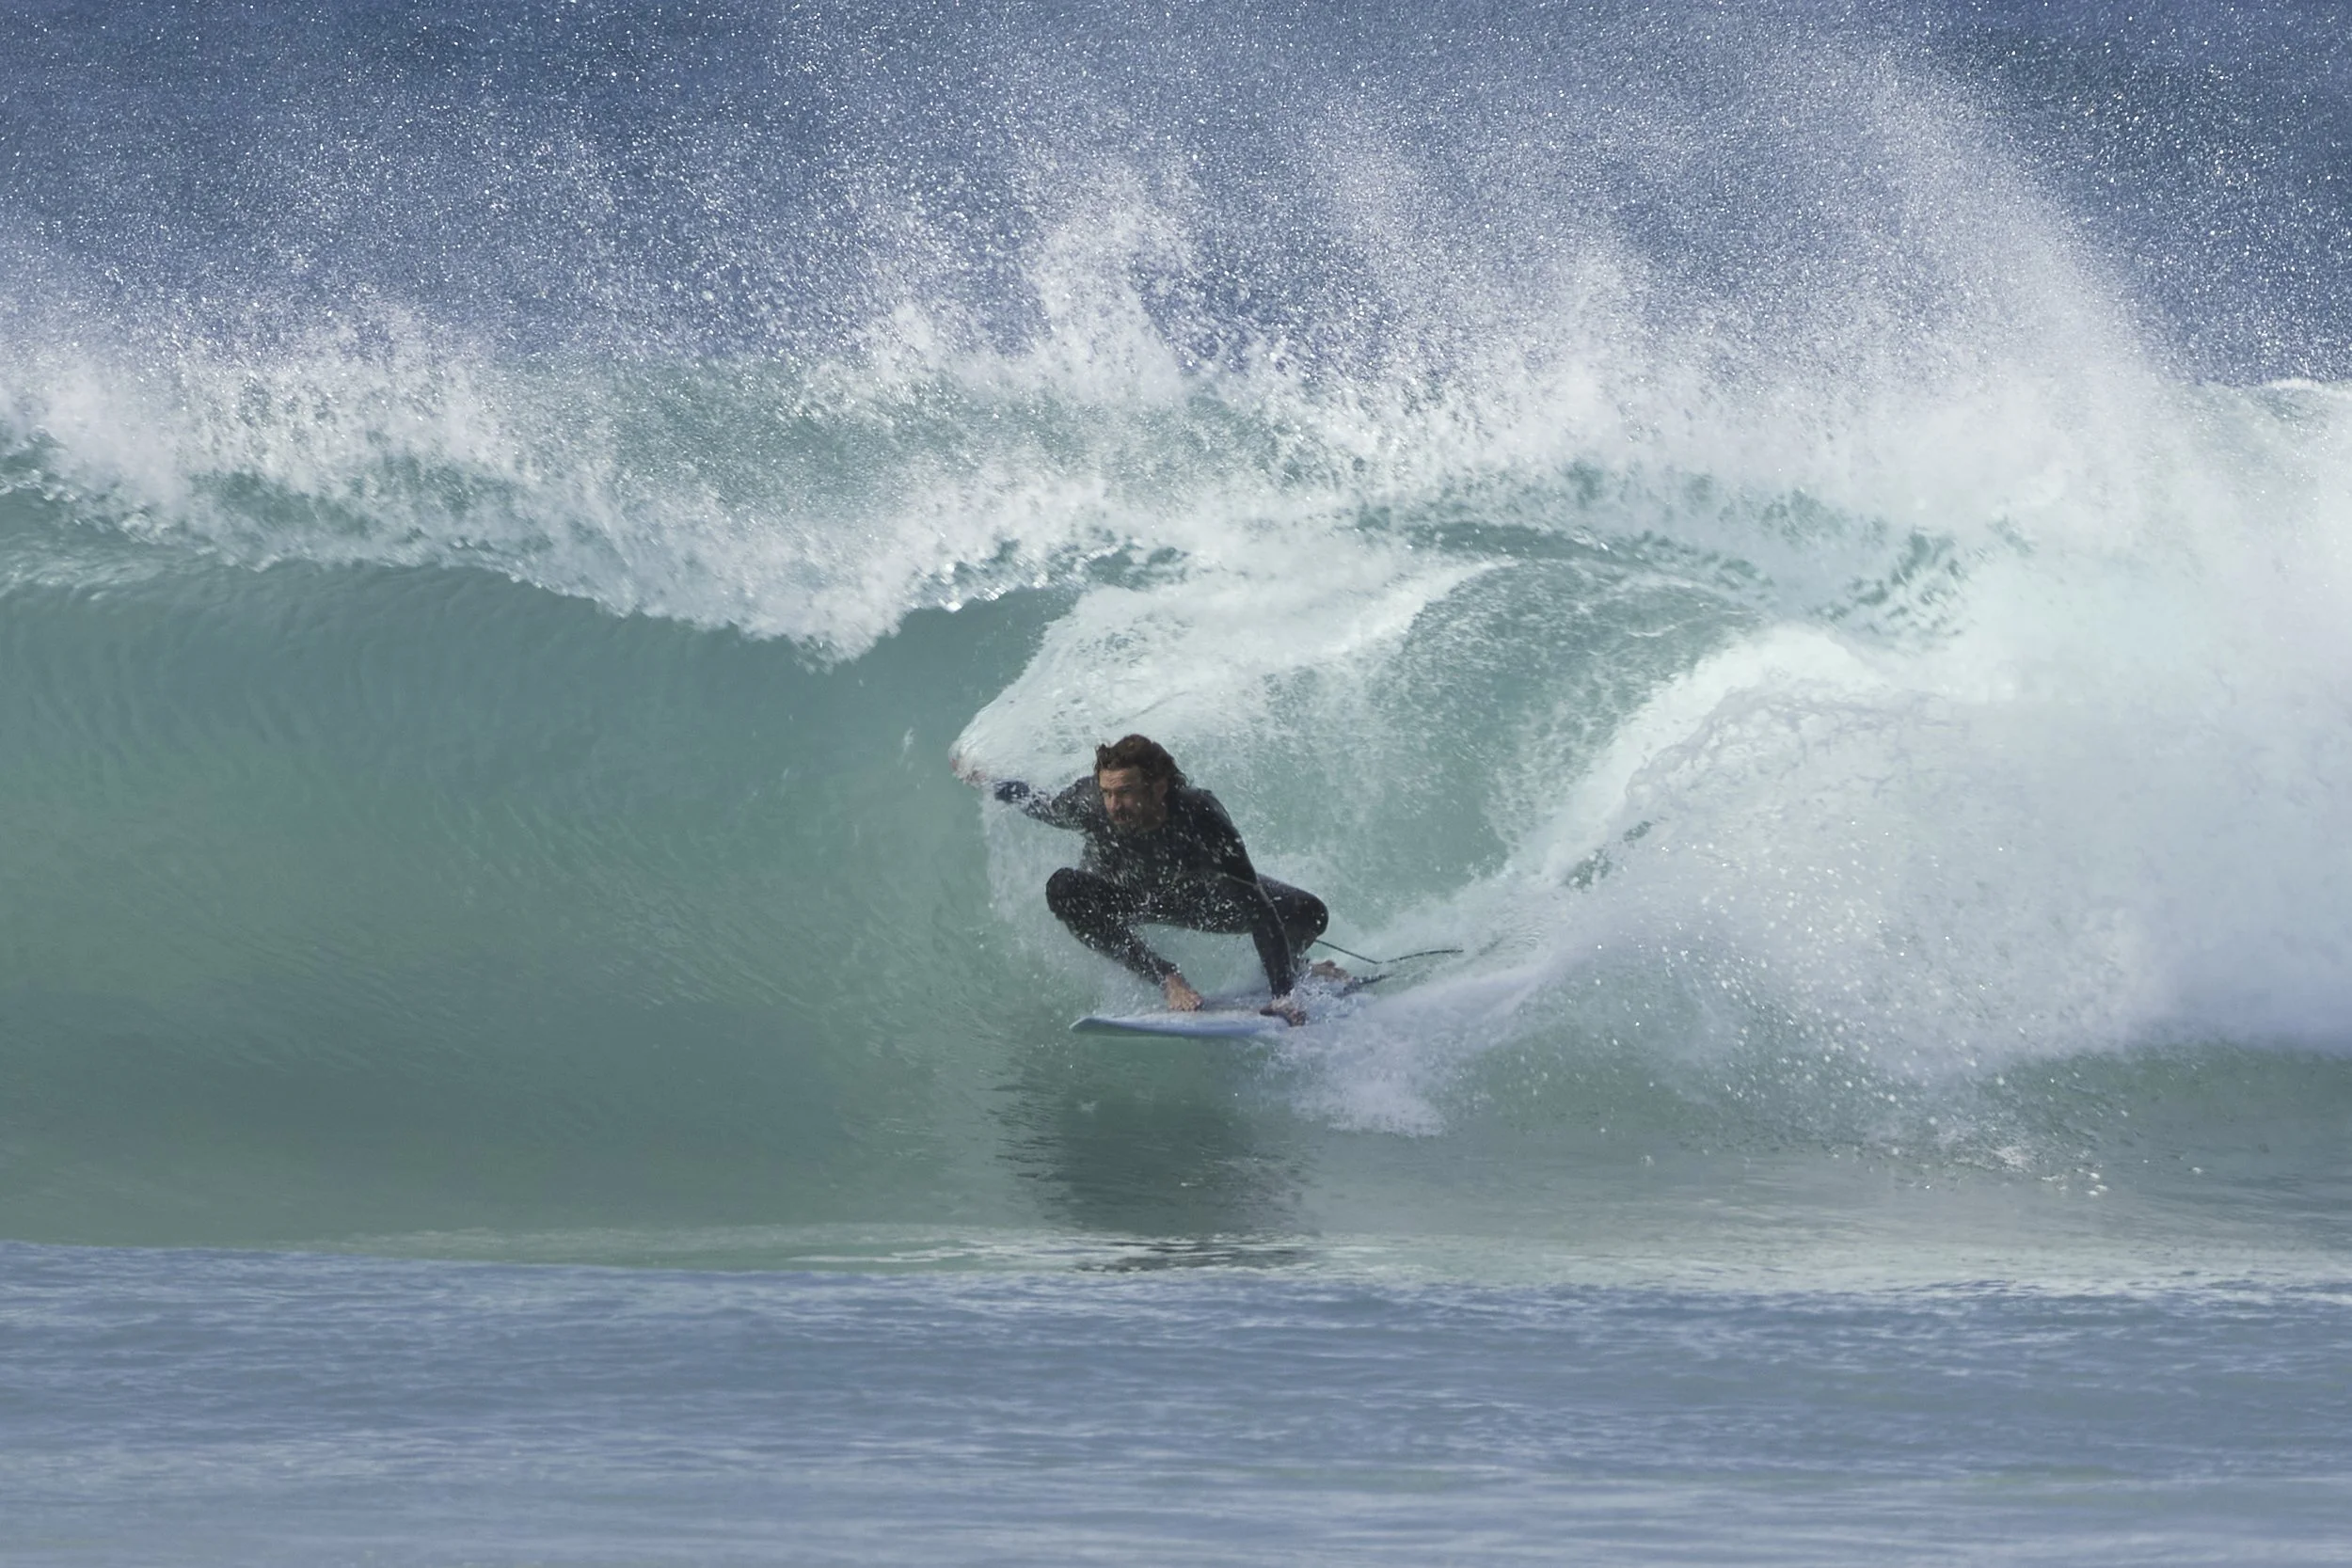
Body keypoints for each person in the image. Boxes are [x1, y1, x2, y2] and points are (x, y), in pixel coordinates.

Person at [954, 734, 1338, 1025]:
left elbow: (1251, 899)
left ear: (1158, 787)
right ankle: (1167, 975)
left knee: (1309, 912)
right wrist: (990, 781)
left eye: (1124, 792)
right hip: (1124, 899)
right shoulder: (1091, 805)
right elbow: (1042, 805)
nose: (1113, 805)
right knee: (1063, 889)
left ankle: (1292, 969)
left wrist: (1283, 996)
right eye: (1106, 792)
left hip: (1196, 902)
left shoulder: (1199, 813)